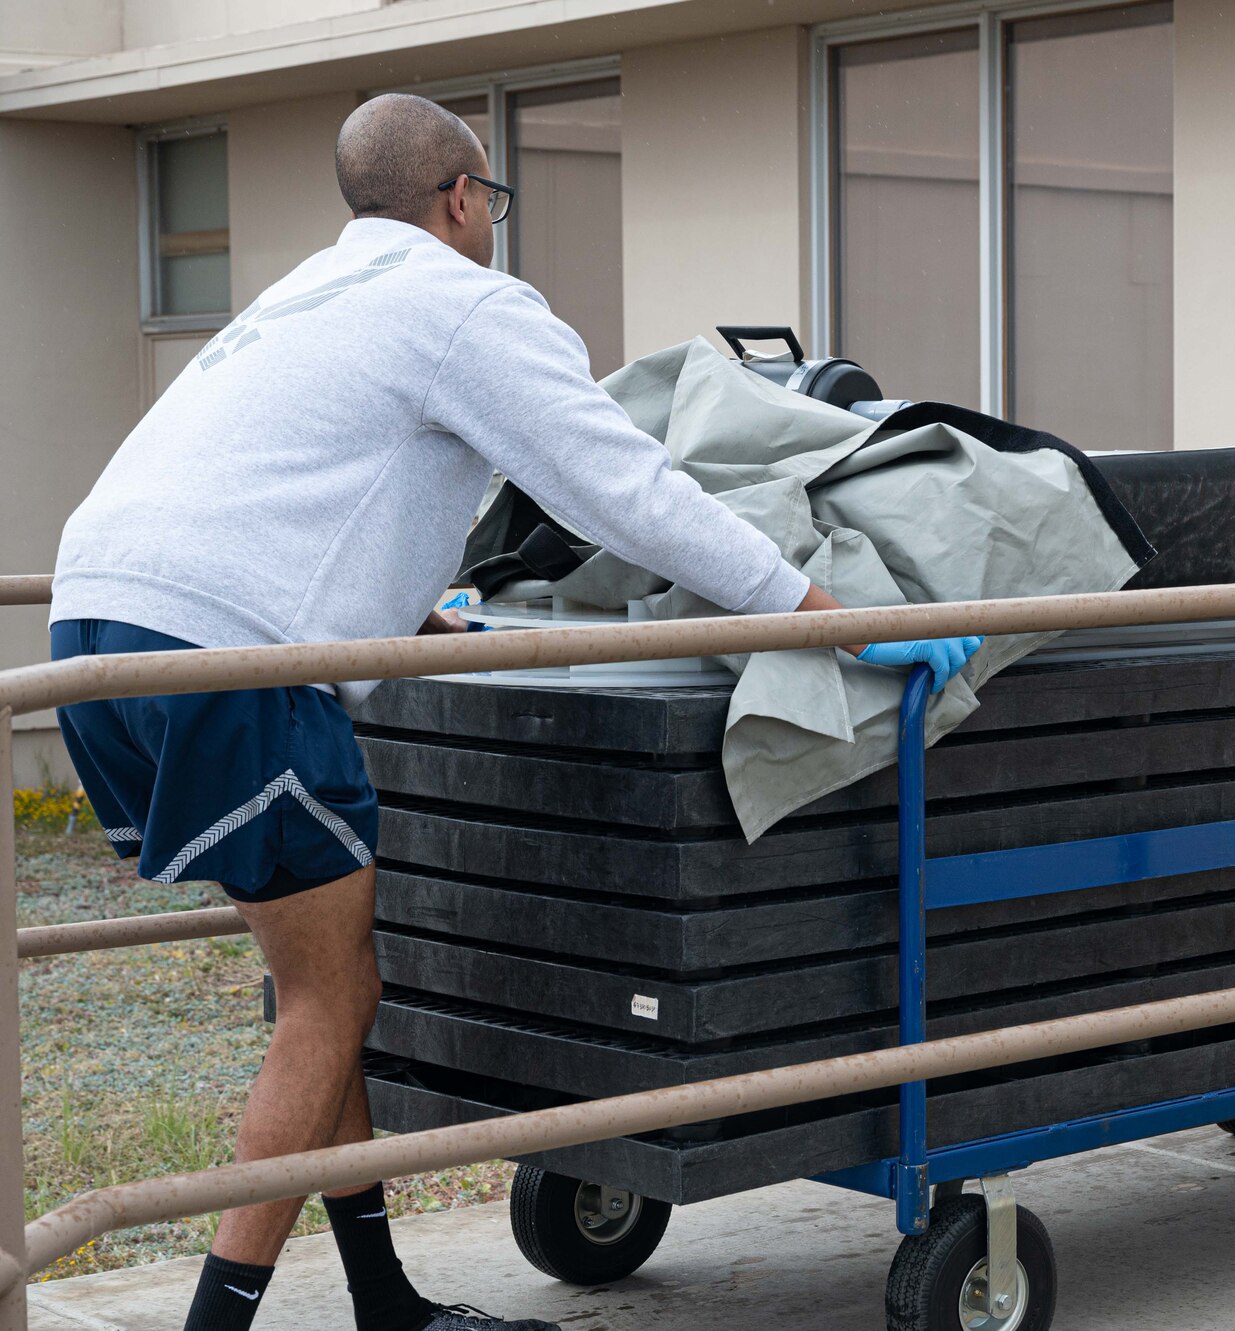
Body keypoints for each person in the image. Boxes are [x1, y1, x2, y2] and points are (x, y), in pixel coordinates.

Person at [45, 94, 980, 1331]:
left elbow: (288, 482)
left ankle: (385, 1300)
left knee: (326, 994)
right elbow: (626, 492)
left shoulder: (303, 299)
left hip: (97, 632)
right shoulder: (467, 304)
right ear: (459, 198)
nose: (492, 217)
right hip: (225, 658)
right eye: (493, 197)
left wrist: (399, 608)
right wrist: (821, 607)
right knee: (330, 1001)